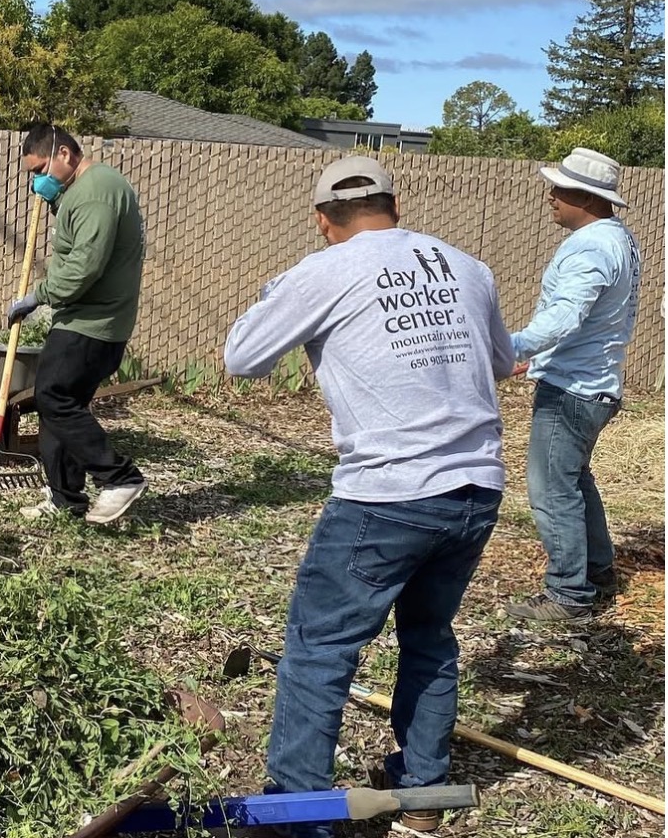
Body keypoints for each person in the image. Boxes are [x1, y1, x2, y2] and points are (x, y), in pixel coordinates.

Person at [222, 156, 514, 838]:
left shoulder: (325, 270)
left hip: (387, 495)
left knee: (320, 650)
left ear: (323, 221)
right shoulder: (468, 268)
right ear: (395, 205)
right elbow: (503, 362)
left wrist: (281, 290)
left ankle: (296, 816)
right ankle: (424, 791)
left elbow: (242, 356)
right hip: (475, 489)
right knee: (429, 635)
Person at [504, 148, 641, 624]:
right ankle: (597, 571)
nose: (551, 196)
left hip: (573, 390)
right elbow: (593, 321)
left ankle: (568, 594)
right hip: (594, 384)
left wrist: (508, 348)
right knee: (576, 481)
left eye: (559, 189)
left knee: (551, 490)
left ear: (585, 197)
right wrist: (538, 358)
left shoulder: (590, 247)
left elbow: (565, 317)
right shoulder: (618, 238)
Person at [9, 123, 147, 525]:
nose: (37, 181)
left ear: (64, 154)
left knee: (52, 396)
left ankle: (119, 477)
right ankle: (65, 496)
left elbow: (84, 266)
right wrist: (58, 201)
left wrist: (38, 295)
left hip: (93, 321)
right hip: (82, 316)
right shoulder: (82, 191)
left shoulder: (96, 193)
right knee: (60, 406)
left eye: (40, 170)